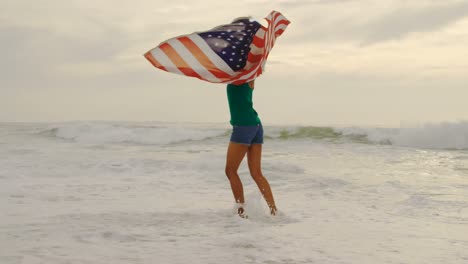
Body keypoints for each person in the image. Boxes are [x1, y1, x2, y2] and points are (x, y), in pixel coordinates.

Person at [225, 79, 277, 218]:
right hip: (256, 125)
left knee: (230, 170)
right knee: (256, 173)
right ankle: (274, 211)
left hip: (243, 126)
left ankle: (241, 213)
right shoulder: (248, 78)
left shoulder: (240, 78)